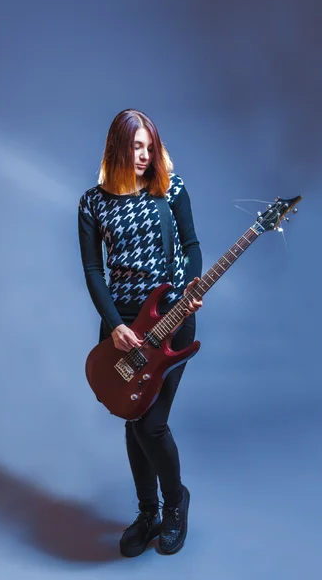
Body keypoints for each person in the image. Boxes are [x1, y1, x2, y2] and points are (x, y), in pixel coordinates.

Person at [78, 109, 202, 556]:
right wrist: (114, 326)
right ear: (118, 147)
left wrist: (190, 286)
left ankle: (175, 505)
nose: (146, 156)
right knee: (132, 419)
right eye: (137, 147)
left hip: (171, 322)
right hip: (121, 328)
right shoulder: (92, 202)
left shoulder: (172, 189)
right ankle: (147, 512)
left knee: (151, 423)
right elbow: (94, 270)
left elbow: (191, 246)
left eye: (151, 146)